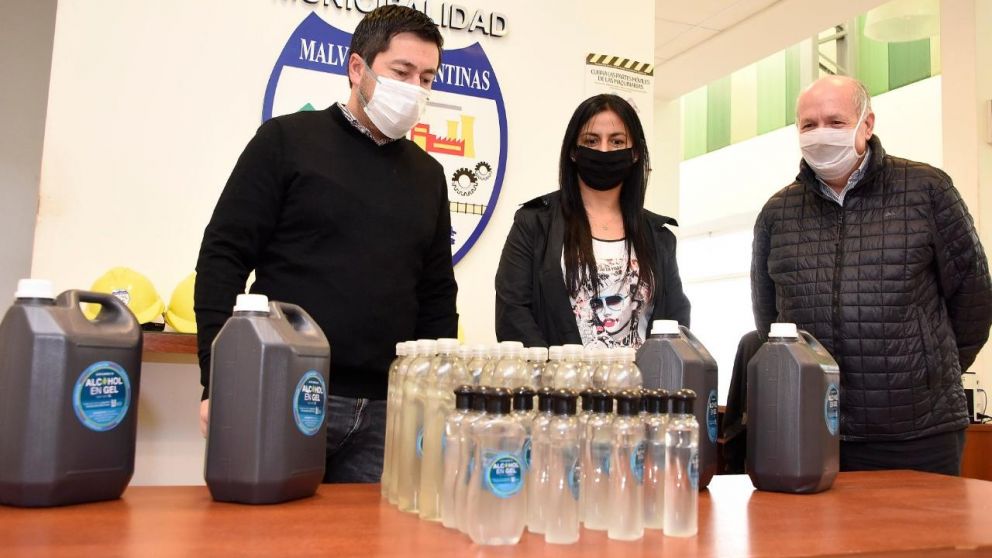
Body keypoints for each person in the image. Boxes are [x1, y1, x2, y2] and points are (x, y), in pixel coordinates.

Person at [194, 5, 457, 483]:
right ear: (357, 68)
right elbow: (222, 259)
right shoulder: (286, 141)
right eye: (402, 71)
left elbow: (437, 295)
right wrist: (218, 380)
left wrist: (434, 401)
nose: (415, 89)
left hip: (388, 412)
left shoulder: (429, 176)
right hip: (284, 390)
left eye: (426, 77)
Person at [751, 75, 992, 475]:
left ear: (867, 124)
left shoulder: (926, 190)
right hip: (814, 430)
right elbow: (769, 319)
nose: (820, 134)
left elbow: (974, 299)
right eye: (808, 125)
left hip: (918, 433)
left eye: (835, 121)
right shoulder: (778, 213)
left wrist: (930, 370)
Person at [495, 94, 690, 349]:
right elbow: (512, 313)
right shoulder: (534, 222)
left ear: (635, 154)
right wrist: (558, 375)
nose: (604, 150)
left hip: (641, 386)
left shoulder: (659, 236)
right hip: (558, 385)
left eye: (617, 141)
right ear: (574, 152)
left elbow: (676, 322)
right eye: (591, 140)